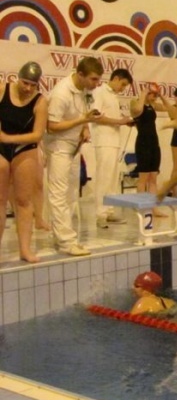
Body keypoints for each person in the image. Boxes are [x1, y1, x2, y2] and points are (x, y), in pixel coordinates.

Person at [45, 56, 104, 256]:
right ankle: (66, 241)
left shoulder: (84, 90)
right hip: (58, 146)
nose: (97, 84)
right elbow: (51, 126)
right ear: (80, 75)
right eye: (94, 79)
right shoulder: (61, 93)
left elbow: (85, 111)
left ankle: (62, 236)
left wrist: (85, 127)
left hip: (73, 145)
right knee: (59, 194)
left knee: (71, 195)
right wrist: (82, 120)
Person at [0, 62, 48, 263]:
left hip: (24, 148)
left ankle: (25, 249)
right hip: (1, 149)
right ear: (16, 78)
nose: (28, 88)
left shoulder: (40, 101)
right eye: (25, 83)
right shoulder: (3, 90)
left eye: (32, 85)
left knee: (23, 201)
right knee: (0, 200)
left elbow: (37, 135)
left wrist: (7, 138)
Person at [93, 69, 134, 228]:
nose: (122, 88)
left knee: (112, 179)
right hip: (103, 140)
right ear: (115, 78)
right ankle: (100, 215)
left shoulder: (113, 96)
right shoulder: (99, 92)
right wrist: (119, 122)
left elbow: (113, 119)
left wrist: (123, 121)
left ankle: (109, 211)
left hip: (114, 140)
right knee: (103, 178)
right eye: (122, 84)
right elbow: (96, 116)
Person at [130, 87, 169, 215]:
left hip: (154, 142)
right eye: (153, 94)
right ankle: (141, 205)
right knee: (143, 178)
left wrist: (161, 95)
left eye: (155, 95)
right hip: (143, 143)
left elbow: (168, 108)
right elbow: (137, 110)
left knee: (153, 178)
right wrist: (143, 94)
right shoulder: (135, 103)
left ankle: (153, 207)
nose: (154, 97)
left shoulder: (153, 105)